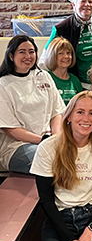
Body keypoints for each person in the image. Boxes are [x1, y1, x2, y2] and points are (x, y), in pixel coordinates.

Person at [30, 91, 92, 241]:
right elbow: (46, 199)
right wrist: (68, 239)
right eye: (80, 112)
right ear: (68, 116)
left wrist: (90, 231)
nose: (86, 118)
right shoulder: (49, 147)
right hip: (59, 219)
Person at [0, 35, 65, 174]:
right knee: (51, 160)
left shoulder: (44, 76)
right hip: (18, 146)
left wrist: (56, 139)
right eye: (22, 52)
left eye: (31, 51)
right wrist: (44, 141)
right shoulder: (3, 84)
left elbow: (56, 112)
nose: (28, 56)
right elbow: (10, 129)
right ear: (11, 56)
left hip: (49, 141)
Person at [44, 37, 83, 105]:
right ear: (52, 55)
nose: (66, 56)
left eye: (68, 53)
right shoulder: (46, 78)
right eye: (60, 53)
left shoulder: (75, 80)